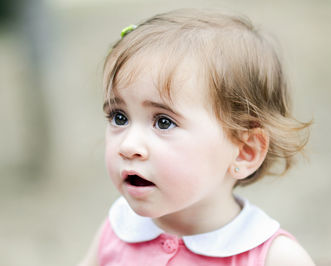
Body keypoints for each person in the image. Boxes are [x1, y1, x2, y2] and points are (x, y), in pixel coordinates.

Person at [79, 8, 314, 266]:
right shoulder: (119, 228)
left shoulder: (273, 258)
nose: (128, 145)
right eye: (119, 117)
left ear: (244, 151)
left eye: (164, 122)